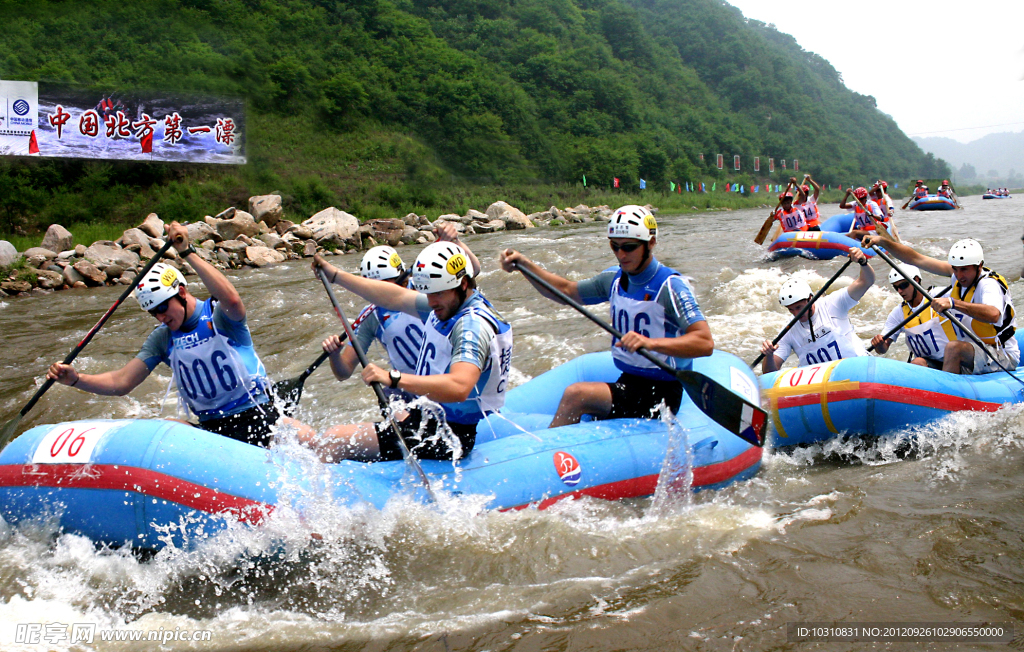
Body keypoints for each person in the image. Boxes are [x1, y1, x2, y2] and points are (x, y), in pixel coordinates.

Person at [45, 221, 281, 447]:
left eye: (162, 308)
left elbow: (231, 298)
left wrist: (187, 252)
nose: (160, 317)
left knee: (303, 435)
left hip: (256, 414)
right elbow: (122, 382)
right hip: (212, 430)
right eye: (152, 313)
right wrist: (76, 380)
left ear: (181, 292)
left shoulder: (220, 316)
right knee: (166, 427)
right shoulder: (163, 338)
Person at [499, 204, 713, 427]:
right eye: (615, 246)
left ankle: (547, 457)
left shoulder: (670, 287)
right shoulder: (614, 279)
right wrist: (524, 265)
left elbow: (704, 342)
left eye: (629, 247)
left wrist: (650, 343)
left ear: (650, 243)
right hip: (628, 382)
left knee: (576, 394)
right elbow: (565, 292)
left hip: (661, 394)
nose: (621, 254)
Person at [305, 241, 513, 462]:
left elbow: (460, 387)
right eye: (427, 293)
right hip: (428, 420)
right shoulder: (453, 304)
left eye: (437, 294)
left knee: (333, 439)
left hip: (447, 437)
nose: (431, 302)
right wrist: (335, 275)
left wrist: (393, 378)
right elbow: (394, 297)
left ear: (462, 284)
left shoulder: (471, 326)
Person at [321, 223, 480, 401]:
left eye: (393, 283)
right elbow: (344, 372)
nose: (385, 293)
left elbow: (471, 273)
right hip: (405, 388)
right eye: (377, 288)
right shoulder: (371, 316)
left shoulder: (427, 289)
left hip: (442, 382)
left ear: (403, 276)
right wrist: (334, 355)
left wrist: (455, 242)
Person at [860, 235, 1018, 375]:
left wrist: (953, 303)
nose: (959, 275)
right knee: (919, 363)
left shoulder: (988, 284)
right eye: (955, 269)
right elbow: (916, 259)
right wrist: (882, 241)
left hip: (1000, 353)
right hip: (973, 352)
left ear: (979, 266)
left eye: (964, 270)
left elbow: (993, 314)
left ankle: (949, 400)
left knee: (953, 347)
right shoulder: (957, 276)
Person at [759, 248, 875, 373]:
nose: (796, 314)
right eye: (791, 309)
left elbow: (866, 281)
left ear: (810, 299)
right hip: (823, 382)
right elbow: (770, 373)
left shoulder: (833, 304)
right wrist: (769, 355)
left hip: (857, 368)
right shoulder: (789, 330)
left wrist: (863, 262)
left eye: (799, 307)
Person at [871, 264, 956, 369]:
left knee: (954, 348)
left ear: (916, 280)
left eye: (903, 285)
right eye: (896, 287)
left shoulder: (940, 295)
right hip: (930, 364)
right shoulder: (898, 313)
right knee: (917, 362)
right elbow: (883, 349)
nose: (900, 291)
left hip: (954, 358)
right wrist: (879, 345)